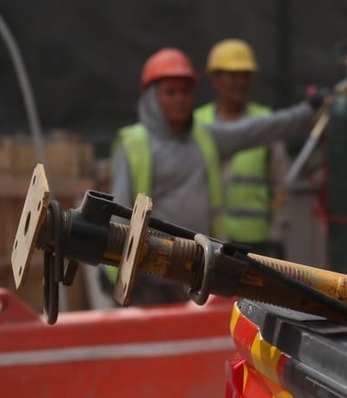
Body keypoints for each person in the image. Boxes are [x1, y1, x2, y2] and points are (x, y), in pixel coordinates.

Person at [107, 47, 320, 304]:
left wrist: (307, 110)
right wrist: (113, 269)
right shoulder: (134, 144)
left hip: (199, 269)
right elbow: (120, 211)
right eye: (170, 92)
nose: (179, 99)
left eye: (185, 92)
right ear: (152, 97)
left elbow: (257, 129)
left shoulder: (204, 138)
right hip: (151, 271)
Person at [194, 39, 290, 259]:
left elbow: (281, 185)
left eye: (245, 75)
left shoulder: (266, 123)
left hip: (259, 244)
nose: (240, 82)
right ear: (215, 79)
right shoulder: (198, 124)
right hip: (208, 240)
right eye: (233, 75)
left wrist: (277, 236)